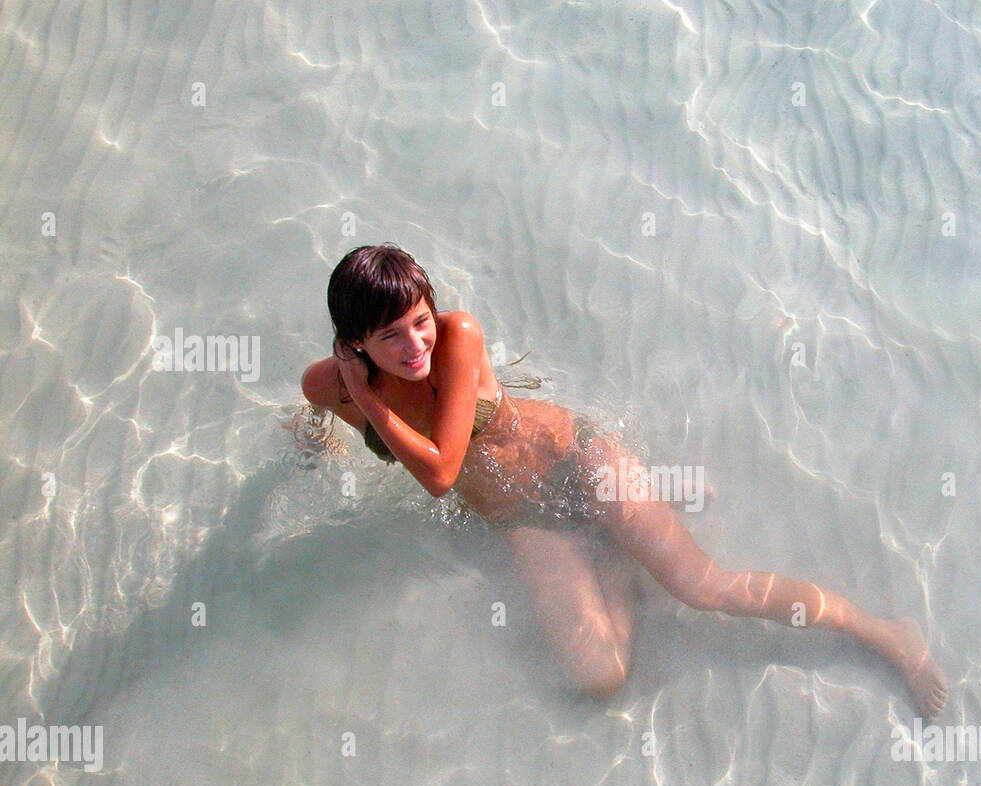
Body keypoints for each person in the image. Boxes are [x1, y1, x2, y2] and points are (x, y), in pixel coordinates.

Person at [300, 244, 947, 715]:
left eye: (420, 319)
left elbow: (440, 472)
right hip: (521, 517)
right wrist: (314, 444)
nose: (417, 345)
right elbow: (317, 415)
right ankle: (618, 559)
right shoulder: (328, 383)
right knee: (600, 678)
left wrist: (371, 395)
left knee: (703, 587)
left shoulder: (457, 336)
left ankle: (881, 632)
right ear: (353, 344)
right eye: (392, 336)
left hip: (574, 463)